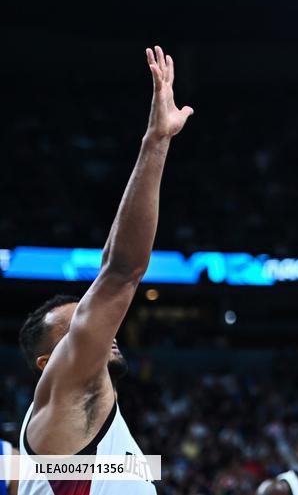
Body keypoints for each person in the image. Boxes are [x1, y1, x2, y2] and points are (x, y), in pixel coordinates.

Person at [16, 47, 192, 495]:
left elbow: (108, 272)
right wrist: (156, 142)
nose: (100, 327)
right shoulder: (62, 404)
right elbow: (121, 272)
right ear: (46, 365)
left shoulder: (76, 429)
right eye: (76, 327)